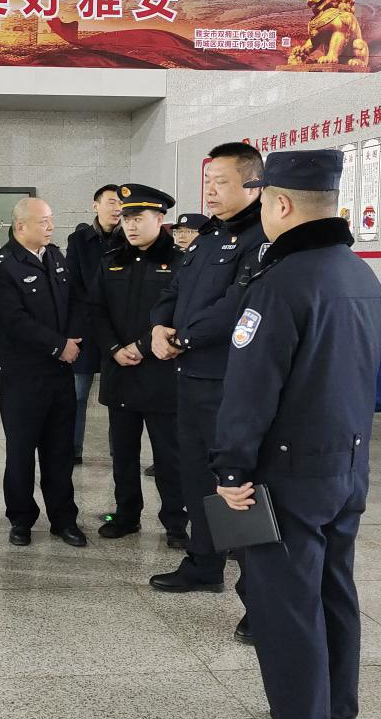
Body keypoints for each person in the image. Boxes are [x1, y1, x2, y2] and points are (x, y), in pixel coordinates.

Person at [210, 149, 381, 719]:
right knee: (335, 593)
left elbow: (250, 391)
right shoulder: (362, 276)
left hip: (285, 475)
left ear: (280, 204)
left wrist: (231, 472)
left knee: (285, 609)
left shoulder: (280, 283)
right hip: (347, 466)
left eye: (263, 201)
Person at [148, 143, 265, 628]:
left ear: (253, 185)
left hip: (230, 382)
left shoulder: (262, 237)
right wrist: (159, 326)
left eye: (222, 182)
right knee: (196, 476)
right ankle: (203, 562)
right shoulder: (207, 237)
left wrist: (183, 338)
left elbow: (239, 304)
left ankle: (259, 601)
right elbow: (173, 290)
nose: (211, 191)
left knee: (235, 485)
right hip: (190, 377)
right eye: (208, 181)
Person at [0, 197, 87, 548]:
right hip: (22, 377)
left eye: (51, 219)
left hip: (60, 374)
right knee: (21, 453)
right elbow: (13, 321)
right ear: (21, 226)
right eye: (43, 221)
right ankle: (21, 519)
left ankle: (64, 519)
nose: (50, 226)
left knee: (60, 452)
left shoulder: (55, 257)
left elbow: (75, 302)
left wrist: (72, 341)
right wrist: (59, 345)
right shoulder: (1, 267)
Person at [88, 184, 186, 547]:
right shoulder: (112, 260)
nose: (129, 225)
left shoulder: (180, 262)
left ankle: (176, 522)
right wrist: (114, 348)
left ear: (160, 219)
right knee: (123, 454)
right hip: (121, 372)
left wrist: (142, 346)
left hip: (161, 372)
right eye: (126, 218)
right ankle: (126, 515)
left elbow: (181, 314)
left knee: (169, 455)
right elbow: (95, 310)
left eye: (138, 218)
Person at [65, 184, 124, 464]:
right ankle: (73, 449)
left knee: (118, 396)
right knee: (78, 393)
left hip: (119, 328)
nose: (117, 208)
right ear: (95, 205)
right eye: (111, 202)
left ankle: (119, 451)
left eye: (121, 203)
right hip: (85, 328)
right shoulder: (78, 240)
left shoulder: (128, 239)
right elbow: (73, 284)